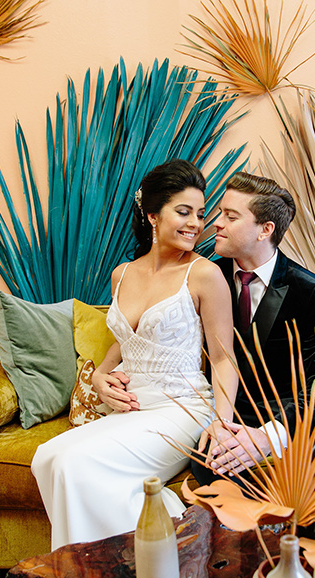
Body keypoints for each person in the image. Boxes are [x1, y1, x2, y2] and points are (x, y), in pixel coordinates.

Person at [31, 159, 237, 550]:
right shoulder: (122, 273)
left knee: (77, 465)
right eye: (183, 211)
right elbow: (126, 340)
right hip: (131, 409)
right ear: (152, 215)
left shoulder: (205, 274)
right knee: (47, 457)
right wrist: (99, 376)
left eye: (200, 213)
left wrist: (222, 424)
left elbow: (224, 358)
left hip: (182, 409)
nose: (196, 223)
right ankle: (155, 549)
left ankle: (105, 570)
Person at [190, 171, 315, 510]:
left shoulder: (310, 290)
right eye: (219, 212)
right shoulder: (206, 276)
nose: (215, 223)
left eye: (230, 216)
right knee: (208, 459)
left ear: (265, 230)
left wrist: (271, 435)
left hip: (296, 414)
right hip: (233, 412)